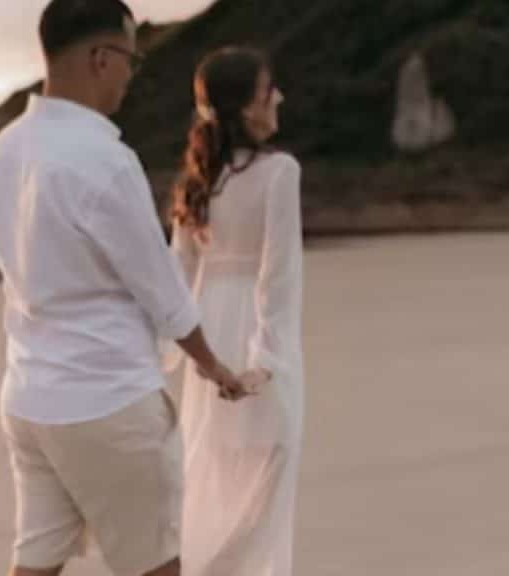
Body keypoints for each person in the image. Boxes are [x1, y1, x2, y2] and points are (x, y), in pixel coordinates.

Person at [0, 2, 246, 576]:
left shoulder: (2, 153)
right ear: (100, 58)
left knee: (36, 561)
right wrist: (212, 364)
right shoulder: (104, 160)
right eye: (130, 60)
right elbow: (161, 288)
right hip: (107, 401)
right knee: (155, 565)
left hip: (29, 397)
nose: (130, 75)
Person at [167, 46, 305, 576]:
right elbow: (278, 273)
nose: (280, 98)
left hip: (206, 335)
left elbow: (174, 279)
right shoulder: (280, 172)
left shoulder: (196, 181)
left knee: (216, 473)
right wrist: (267, 360)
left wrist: (168, 356)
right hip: (255, 334)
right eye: (270, 90)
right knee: (268, 473)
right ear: (248, 106)